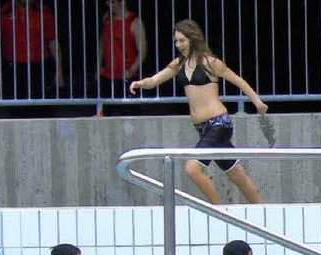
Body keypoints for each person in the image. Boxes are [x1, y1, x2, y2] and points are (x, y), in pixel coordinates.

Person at [129, 19, 267, 204]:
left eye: (182, 40)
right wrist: (140, 83)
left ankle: (218, 210)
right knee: (237, 176)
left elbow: (239, 81)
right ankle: (263, 209)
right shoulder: (178, 64)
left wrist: (258, 102)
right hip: (203, 128)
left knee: (192, 168)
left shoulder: (210, 62)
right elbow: (154, 80)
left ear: (193, 38)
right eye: (176, 41)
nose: (179, 45)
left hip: (218, 124)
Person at [0, 0, 64, 99]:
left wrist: (59, 70)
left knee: (44, 107)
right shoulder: (2, 13)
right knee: (16, 108)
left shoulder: (43, 12)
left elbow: (52, 41)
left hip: (40, 67)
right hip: (13, 69)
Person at [99, 0, 147, 99]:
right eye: (107, 1)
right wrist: (99, 65)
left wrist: (131, 71)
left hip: (127, 75)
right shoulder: (106, 19)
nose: (108, 4)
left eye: (112, 2)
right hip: (108, 75)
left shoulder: (135, 22)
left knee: (129, 111)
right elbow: (102, 43)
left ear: (123, 2)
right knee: (105, 110)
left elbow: (142, 51)